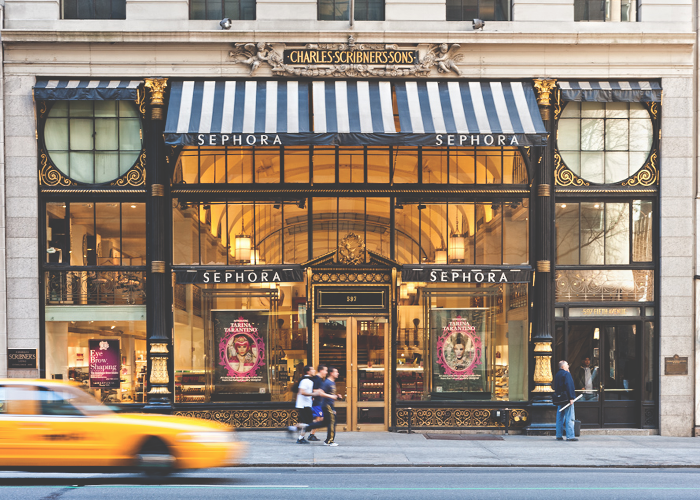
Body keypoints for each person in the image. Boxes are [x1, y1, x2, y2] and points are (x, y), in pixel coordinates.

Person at [302, 366, 342, 446]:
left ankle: (307, 426)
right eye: (336, 372)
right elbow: (321, 393)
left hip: (329, 405)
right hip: (326, 405)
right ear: (331, 373)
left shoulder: (332, 382)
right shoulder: (327, 382)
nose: (337, 373)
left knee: (324, 423)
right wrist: (332, 397)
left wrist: (336, 396)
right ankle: (329, 441)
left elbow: (329, 394)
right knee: (332, 422)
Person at [554, 360, 578, 441]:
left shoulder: (557, 374)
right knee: (569, 417)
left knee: (560, 417)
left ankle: (558, 435)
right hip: (567, 399)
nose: (568, 366)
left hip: (559, 399)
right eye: (567, 365)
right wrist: (571, 398)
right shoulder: (566, 374)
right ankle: (570, 436)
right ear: (563, 367)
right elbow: (569, 386)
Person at [293, 365, 316, 444]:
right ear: (308, 371)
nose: (314, 370)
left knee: (307, 423)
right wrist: (313, 394)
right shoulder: (305, 380)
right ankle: (293, 429)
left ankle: (300, 438)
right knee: (307, 423)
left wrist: (311, 396)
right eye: (312, 369)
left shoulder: (309, 380)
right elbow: (302, 392)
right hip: (303, 405)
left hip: (306, 404)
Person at [308, 364, 328, 442]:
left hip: (319, 401)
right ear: (321, 370)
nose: (326, 372)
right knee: (318, 418)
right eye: (325, 370)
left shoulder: (320, 379)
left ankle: (311, 433)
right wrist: (321, 391)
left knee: (319, 418)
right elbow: (312, 389)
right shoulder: (316, 379)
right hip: (316, 402)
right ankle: (309, 432)